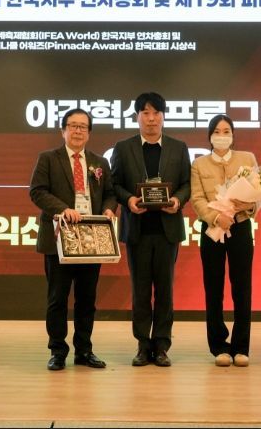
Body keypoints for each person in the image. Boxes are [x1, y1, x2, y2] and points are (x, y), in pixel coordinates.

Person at [29, 108, 118, 371]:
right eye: (73, 125)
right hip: (59, 238)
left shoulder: (99, 162)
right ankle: (57, 351)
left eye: (83, 127)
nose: (78, 131)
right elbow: (37, 192)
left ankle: (84, 350)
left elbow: (110, 193)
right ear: (63, 130)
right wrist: (62, 209)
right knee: (57, 299)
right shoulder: (48, 158)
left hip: (91, 238)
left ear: (89, 133)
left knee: (86, 299)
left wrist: (109, 209)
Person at [110, 92, 191, 367]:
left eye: (156, 113)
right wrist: (129, 200)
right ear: (137, 117)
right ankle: (143, 345)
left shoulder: (178, 148)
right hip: (138, 231)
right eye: (145, 113)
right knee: (141, 290)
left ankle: (162, 345)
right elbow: (114, 184)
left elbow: (186, 183)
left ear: (163, 116)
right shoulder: (123, 148)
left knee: (165, 291)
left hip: (167, 231)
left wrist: (177, 200)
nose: (151, 118)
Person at [190, 114, 261, 367]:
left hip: (240, 227)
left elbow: (258, 193)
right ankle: (219, 346)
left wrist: (248, 206)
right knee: (213, 288)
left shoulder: (247, 159)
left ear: (233, 134)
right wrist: (215, 217)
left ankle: (241, 347)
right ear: (210, 136)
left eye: (226, 131)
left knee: (242, 288)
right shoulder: (199, 164)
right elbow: (197, 198)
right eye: (217, 132)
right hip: (212, 231)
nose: (222, 136)